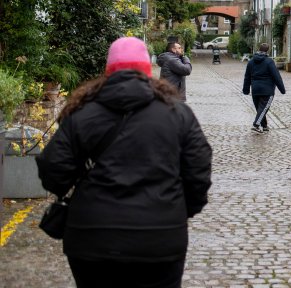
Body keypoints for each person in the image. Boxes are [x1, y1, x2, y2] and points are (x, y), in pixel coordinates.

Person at [36, 36, 212, 288]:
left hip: (93, 235)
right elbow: (199, 171)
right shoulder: (177, 113)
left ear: (108, 71)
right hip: (159, 236)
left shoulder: (82, 112)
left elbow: (53, 167)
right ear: (147, 70)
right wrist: (180, 209)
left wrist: (79, 189)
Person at [242, 43, 286, 133]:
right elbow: (276, 76)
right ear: (267, 51)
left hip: (255, 90)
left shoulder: (251, 62)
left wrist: (246, 90)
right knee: (263, 109)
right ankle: (256, 125)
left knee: (260, 109)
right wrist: (282, 89)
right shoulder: (269, 62)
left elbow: (247, 77)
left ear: (258, 49)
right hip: (267, 91)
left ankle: (264, 126)